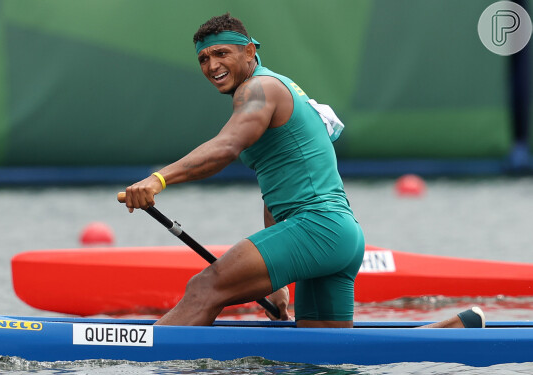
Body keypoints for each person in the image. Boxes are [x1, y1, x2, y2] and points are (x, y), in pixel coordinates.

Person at [123, 13, 485, 329]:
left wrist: (159, 179)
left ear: (249, 51)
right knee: (325, 358)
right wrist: (278, 282)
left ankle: (130, 359)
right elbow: (274, 192)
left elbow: (225, 148)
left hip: (316, 228)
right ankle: (455, 328)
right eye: (203, 58)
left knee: (205, 288)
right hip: (339, 236)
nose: (212, 65)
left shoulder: (259, 89)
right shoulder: (275, 88)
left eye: (221, 53)